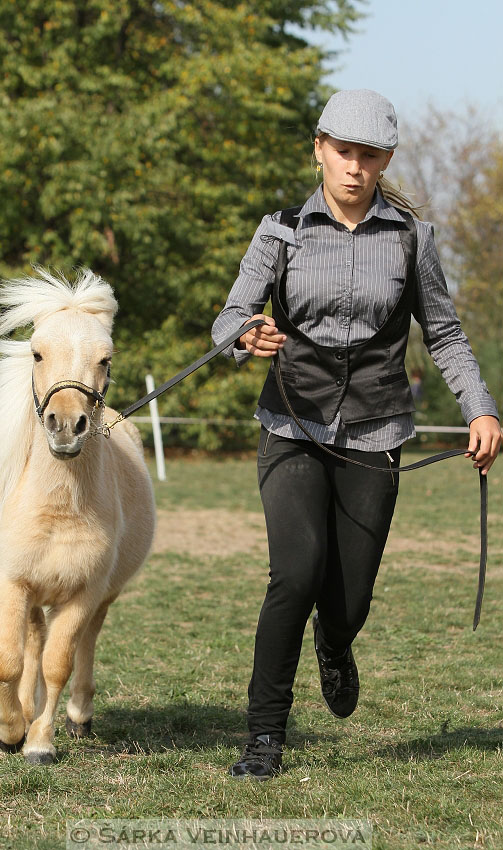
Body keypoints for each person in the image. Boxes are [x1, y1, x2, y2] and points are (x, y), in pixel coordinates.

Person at [211, 89, 501, 780]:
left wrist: (479, 409)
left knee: (348, 599)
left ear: (385, 160)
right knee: (296, 573)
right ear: (319, 147)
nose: (353, 167)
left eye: (368, 156)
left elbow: (446, 334)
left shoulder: (410, 238)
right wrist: (245, 335)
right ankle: (264, 737)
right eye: (342, 151)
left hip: (374, 432)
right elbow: (229, 318)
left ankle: (334, 643)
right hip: (290, 423)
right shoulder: (277, 232)